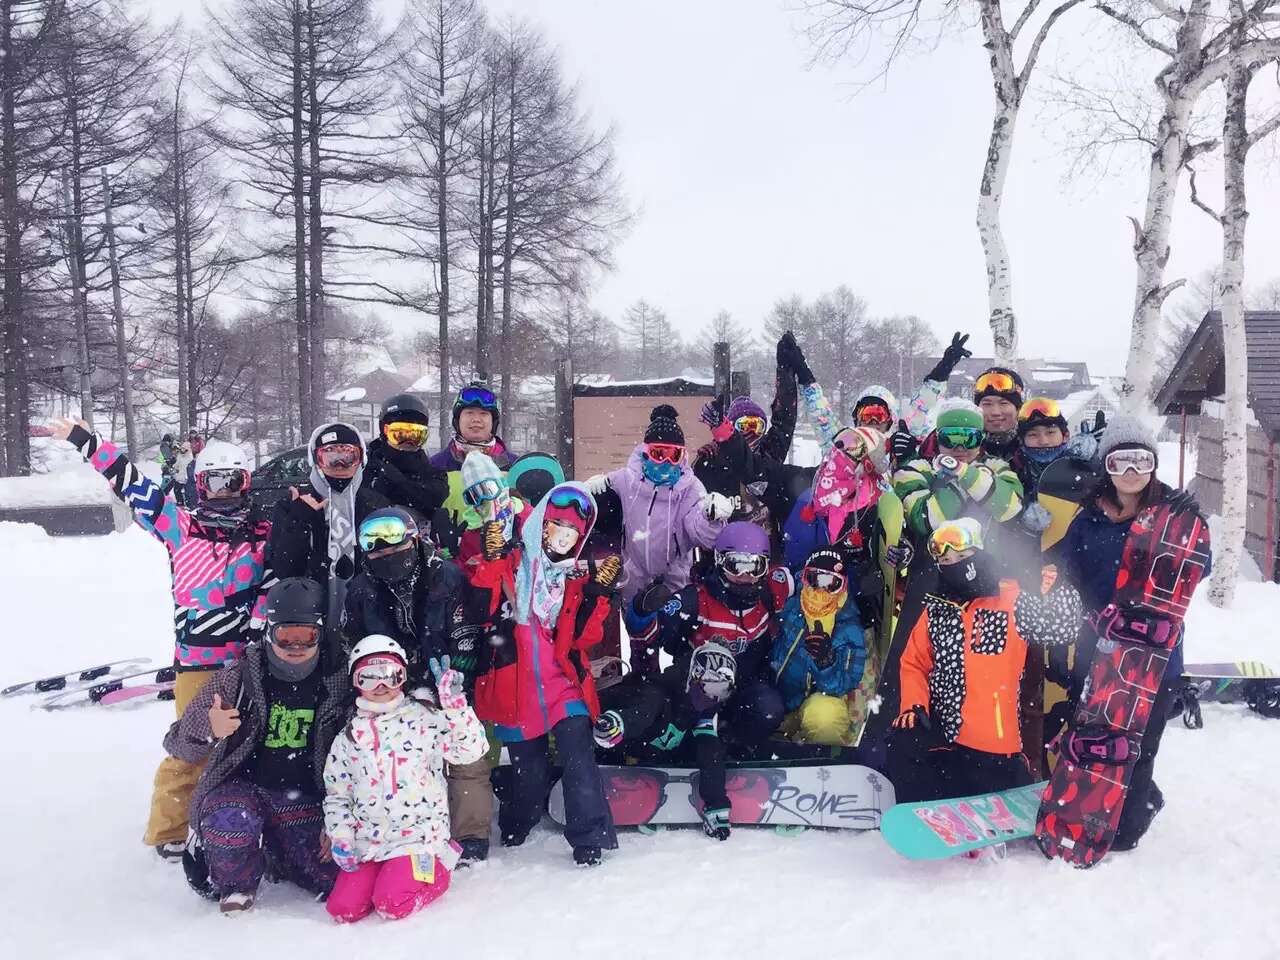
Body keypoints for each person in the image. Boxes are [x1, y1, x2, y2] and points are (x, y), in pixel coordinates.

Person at [51, 418, 276, 861]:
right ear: (200, 484)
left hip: (249, 660)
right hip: (198, 661)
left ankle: (240, 820)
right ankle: (168, 828)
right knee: (192, 744)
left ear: (246, 482)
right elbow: (131, 483)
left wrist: (260, 620)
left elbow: (277, 580)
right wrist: (86, 440)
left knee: (248, 744)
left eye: (234, 480)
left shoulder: (263, 535)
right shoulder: (181, 527)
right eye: (214, 481)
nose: (225, 490)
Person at [1052, 414, 1209, 851]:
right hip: (1099, 651)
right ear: (1107, 467)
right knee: (1099, 738)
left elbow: (1199, 571)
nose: (1131, 472)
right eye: (1120, 462)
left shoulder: (1174, 518)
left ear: (1153, 464)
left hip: (1154, 657)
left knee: (1139, 742)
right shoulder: (1089, 520)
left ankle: (1130, 819)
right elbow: (1070, 574)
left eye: (1141, 461)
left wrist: (1192, 532)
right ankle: (1091, 808)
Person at [163, 578, 350, 914]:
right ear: (268, 632)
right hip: (243, 790)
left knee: (333, 875)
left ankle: (275, 849)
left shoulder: (337, 679)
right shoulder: (239, 677)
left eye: (307, 636)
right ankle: (239, 880)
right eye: (285, 636)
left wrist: (340, 821)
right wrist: (209, 728)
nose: (296, 646)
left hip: (304, 798)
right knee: (229, 823)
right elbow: (177, 744)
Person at [469, 482, 619, 866]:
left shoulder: (573, 579)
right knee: (529, 773)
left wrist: (597, 597)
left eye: (572, 534)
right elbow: (480, 602)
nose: (563, 539)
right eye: (556, 528)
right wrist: (489, 558)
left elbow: (584, 637)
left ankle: (589, 836)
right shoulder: (512, 560)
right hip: (514, 686)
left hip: (562, 683)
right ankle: (519, 817)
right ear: (540, 525)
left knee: (578, 755)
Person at [888, 519, 1081, 805]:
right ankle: (929, 808)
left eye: (963, 557)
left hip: (999, 748)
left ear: (981, 552)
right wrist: (914, 706)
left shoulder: (1013, 598)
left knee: (990, 782)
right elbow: (914, 661)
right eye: (946, 560)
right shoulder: (938, 608)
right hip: (947, 738)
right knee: (902, 743)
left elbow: (1063, 628)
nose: (954, 565)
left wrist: (1056, 591)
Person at [342, 506, 495, 864]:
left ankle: (471, 833)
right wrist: (383, 687)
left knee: (463, 750)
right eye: (374, 545)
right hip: (391, 686)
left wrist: (454, 683)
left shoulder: (446, 577)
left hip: (445, 675)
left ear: (414, 538)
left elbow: (466, 631)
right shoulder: (363, 589)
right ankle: (402, 828)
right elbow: (354, 640)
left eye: (393, 540)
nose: (384, 550)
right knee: (395, 758)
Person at [623, 522, 790, 840]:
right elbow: (649, 629)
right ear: (719, 563)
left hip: (745, 689)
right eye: (735, 565)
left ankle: (734, 748)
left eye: (754, 566)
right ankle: (682, 751)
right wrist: (643, 608)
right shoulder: (694, 599)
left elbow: (808, 597)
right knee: (686, 718)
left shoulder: (768, 596)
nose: (745, 576)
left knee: (769, 708)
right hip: (700, 690)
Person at [323, 636, 487, 923]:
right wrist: (342, 835)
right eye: (369, 678)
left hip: (417, 839)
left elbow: (470, 751)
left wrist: (456, 709)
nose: (381, 686)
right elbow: (338, 793)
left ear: (402, 678)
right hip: (370, 842)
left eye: (390, 675)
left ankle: (438, 871)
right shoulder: (349, 736)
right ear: (355, 682)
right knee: (342, 910)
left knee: (392, 904)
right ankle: (386, 874)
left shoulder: (425, 718)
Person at [586, 404, 734, 675]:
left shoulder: (690, 489)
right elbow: (592, 502)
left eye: (674, 455)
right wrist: (591, 489)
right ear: (645, 452)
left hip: (674, 577)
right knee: (641, 640)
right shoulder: (625, 480)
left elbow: (700, 532)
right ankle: (643, 685)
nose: (665, 462)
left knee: (677, 639)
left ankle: (681, 687)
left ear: (683, 457)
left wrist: (712, 518)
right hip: (635, 574)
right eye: (658, 453)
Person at [268, 422, 390, 633]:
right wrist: (300, 521)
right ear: (316, 461)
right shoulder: (292, 505)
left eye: (349, 457)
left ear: (361, 461)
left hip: (366, 613)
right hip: (309, 615)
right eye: (330, 457)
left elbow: (388, 566)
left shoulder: (374, 504)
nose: (340, 465)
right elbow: (285, 570)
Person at [693, 332, 803, 544]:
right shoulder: (710, 460)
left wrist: (786, 374)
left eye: (756, 425)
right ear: (730, 428)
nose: (750, 432)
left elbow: (785, 419)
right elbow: (692, 508)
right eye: (743, 426)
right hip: (723, 549)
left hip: (766, 548)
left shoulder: (768, 454)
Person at [771, 548, 877, 746]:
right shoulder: (790, 605)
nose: (821, 590)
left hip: (817, 700)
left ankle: (821, 762)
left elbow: (843, 684)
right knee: (763, 712)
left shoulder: (849, 627)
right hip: (780, 698)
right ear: (804, 578)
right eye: (815, 579)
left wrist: (825, 661)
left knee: (825, 718)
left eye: (831, 583)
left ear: (843, 586)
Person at [892, 398, 1024, 542]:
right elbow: (924, 521)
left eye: (970, 438)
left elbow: (1010, 508)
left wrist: (965, 473)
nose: (960, 448)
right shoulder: (918, 469)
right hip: (935, 560)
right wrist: (965, 480)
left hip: (989, 562)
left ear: (981, 439)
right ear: (938, 439)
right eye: (950, 438)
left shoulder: (996, 466)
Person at [363, 393, 449, 521]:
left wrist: (401, 483)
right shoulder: (366, 466)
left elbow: (434, 498)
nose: (408, 443)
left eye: (416, 436)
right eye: (399, 434)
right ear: (384, 432)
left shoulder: (430, 471)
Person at [430, 381, 517, 473]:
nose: (476, 419)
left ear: (493, 422)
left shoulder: (515, 467)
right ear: (457, 420)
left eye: (483, 413)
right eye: (469, 413)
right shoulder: (435, 466)